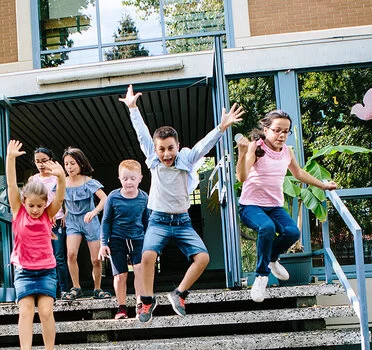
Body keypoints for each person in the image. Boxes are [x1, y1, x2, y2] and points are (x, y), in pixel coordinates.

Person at [120, 85, 245, 323]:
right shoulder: (153, 159)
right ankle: (146, 301)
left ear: (177, 146)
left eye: (170, 148)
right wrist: (133, 108)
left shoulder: (186, 158)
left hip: (182, 221)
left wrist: (222, 127)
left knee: (203, 258)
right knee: (147, 256)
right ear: (156, 150)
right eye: (162, 149)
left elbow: (203, 146)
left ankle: (179, 293)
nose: (166, 154)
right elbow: (142, 135)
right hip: (158, 219)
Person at [236, 110, 337, 302]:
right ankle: (261, 276)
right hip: (250, 206)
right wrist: (242, 153)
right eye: (277, 130)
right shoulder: (255, 147)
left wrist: (323, 185)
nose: (282, 135)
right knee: (267, 228)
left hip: (274, 207)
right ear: (266, 130)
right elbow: (241, 177)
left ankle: (273, 258)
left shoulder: (287, 151)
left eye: (286, 131)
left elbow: (298, 173)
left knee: (292, 232)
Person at [6, 139, 66, 350]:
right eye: (31, 205)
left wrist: (61, 179)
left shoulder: (46, 215)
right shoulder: (18, 212)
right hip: (23, 270)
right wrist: (11, 159)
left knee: (46, 312)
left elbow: (59, 199)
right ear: (25, 202)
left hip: (46, 270)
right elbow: (12, 185)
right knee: (25, 312)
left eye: (39, 206)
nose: (35, 210)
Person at [99, 159, 149, 320]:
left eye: (133, 178)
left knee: (140, 270)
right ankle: (121, 307)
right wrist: (103, 243)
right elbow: (106, 221)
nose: (129, 182)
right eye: (125, 178)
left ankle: (140, 305)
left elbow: (147, 222)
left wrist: (151, 244)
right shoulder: (113, 197)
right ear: (120, 179)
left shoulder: (144, 197)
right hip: (117, 239)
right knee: (120, 275)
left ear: (140, 178)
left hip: (138, 239)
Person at [61, 147, 112, 301]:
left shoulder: (88, 181)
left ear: (81, 164)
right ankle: (76, 287)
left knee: (95, 259)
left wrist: (94, 212)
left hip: (89, 220)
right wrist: (62, 213)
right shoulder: (62, 182)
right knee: (71, 254)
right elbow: (58, 200)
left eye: (72, 163)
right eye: (66, 164)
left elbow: (105, 199)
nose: (69, 167)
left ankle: (97, 288)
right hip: (72, 222)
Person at [29, 147, 70, 298]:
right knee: (41, 257)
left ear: (51, 161)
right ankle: (46, 290)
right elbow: (28, 201)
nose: (41, 164)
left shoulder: (58, 177)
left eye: (44, 161)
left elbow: (66, 198)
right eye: (37, 161)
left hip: (57, 222)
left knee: (58, 256)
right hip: (40, 224)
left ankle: (64, 289)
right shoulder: (33, 179)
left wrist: (65, 213)